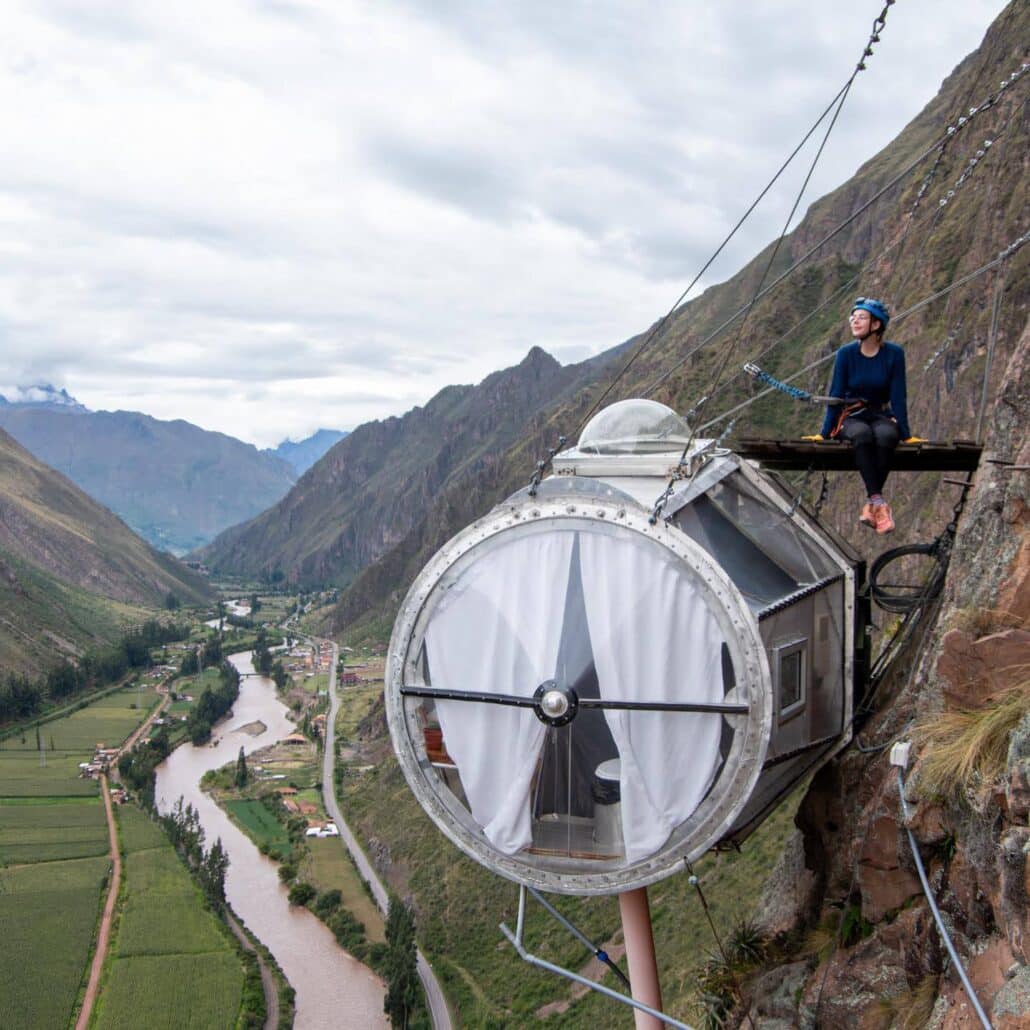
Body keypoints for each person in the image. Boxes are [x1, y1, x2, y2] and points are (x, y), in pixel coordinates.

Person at [802, 298, 923, 534]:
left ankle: (872, 503)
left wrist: (906, 435)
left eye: (861, 317)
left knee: (887, 435)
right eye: (853, 317)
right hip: (851, 416)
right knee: (862, 435)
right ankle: (878, 503)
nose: (854, 320)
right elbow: (836, 395)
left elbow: (898, 396)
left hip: (879, 413)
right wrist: (824, 433)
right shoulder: (846, 354)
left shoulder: (894, 355)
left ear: (876, 325)